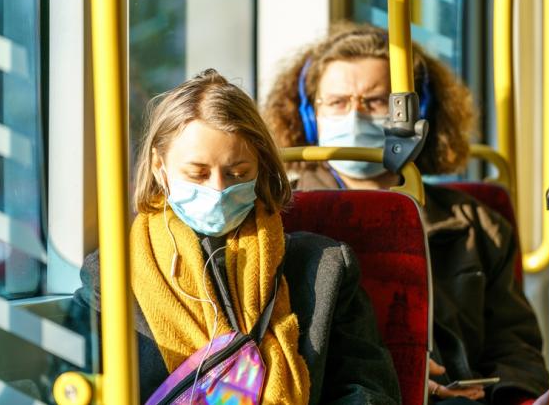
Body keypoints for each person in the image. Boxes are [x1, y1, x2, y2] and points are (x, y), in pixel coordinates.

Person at [67, 69, 401, 404]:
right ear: (159, 168)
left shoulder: (323, 269)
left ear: (261, 168)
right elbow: (77, 382)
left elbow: (367, 389)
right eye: (197, 173)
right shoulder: (112, 277)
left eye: (237, 173)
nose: (218, 188)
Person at [263, 23, 549, 405]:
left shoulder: (477, 225)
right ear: (308, 115)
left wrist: (509, 395)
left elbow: (516, 347)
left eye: (376, 102)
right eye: (337, 103)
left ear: (416, 115)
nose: (355, 116)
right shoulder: (284, 219)